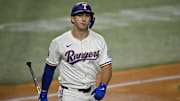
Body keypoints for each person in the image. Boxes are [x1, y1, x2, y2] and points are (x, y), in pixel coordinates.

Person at [39, 2, 112, 101]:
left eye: (87, 16)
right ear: (72, 19)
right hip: (70, 94)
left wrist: (103, 85)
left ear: (91, 19)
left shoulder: (99, 40)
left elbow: (107, 66)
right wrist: (43, 93)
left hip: (92, 92)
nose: (83, 19)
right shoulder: (59, 42)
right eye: (80, 15)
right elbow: (50, 68)